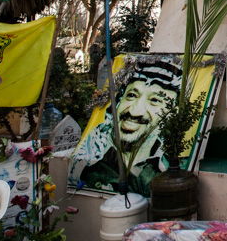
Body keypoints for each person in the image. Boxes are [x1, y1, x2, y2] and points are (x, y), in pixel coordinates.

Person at [69, 62, 181, 195]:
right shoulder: (87, 162)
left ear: (172, 115)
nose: (135, 111)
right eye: (132, 95)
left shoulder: (171, 167)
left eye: (155, 100)